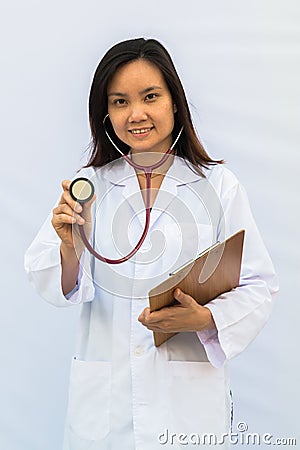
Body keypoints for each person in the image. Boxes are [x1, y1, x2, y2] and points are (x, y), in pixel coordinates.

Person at [24, 38, 278, 450]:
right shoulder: (89, 187)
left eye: (150, 97)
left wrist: (204, 320)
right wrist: (69, 248)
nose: (136, 114)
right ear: (105, 113)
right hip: (106, 411)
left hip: (188, 408)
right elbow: (49, 279)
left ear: (174, 103)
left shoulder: (217, 186)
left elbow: (260, 286)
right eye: (120, 101)